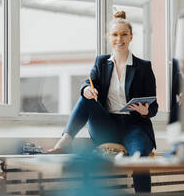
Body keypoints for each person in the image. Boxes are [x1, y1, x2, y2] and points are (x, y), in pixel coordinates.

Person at [49, 11, 158, 193]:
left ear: (131, 37)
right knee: (87, 98)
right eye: (115, 34)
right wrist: (86, 89)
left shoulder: (144, 67)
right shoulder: (101, 63)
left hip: (135, 126)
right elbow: (88, 82)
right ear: (109, 37)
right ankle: (66, 139)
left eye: (124, 34)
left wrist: (145, 111)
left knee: (140, 160)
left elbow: (154, 107)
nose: (119, 39)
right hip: (107, 125)